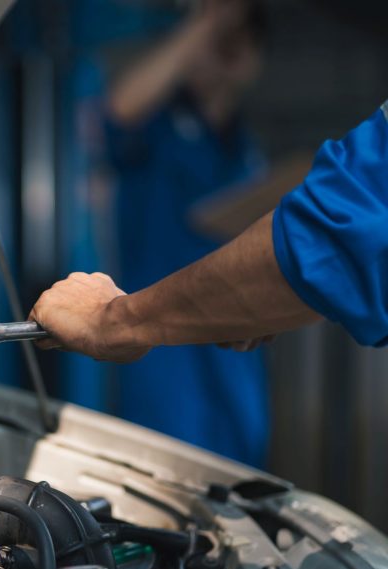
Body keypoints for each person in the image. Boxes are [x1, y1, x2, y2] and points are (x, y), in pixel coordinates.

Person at [29, 101, 388, 391]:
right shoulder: (156, 136)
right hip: (184, 354)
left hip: (214, 355)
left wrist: (111, 321)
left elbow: (332, 241)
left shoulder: (243, 148)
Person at [104, 0, 269, 464]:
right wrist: (207, 22)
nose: (225, 53)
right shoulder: (157, 125)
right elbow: (118, 107)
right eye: (218, 43)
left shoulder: (243, 145)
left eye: (238, 44)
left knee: (238, 472)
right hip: (165, 341)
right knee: (166, 473)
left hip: (234, 341)